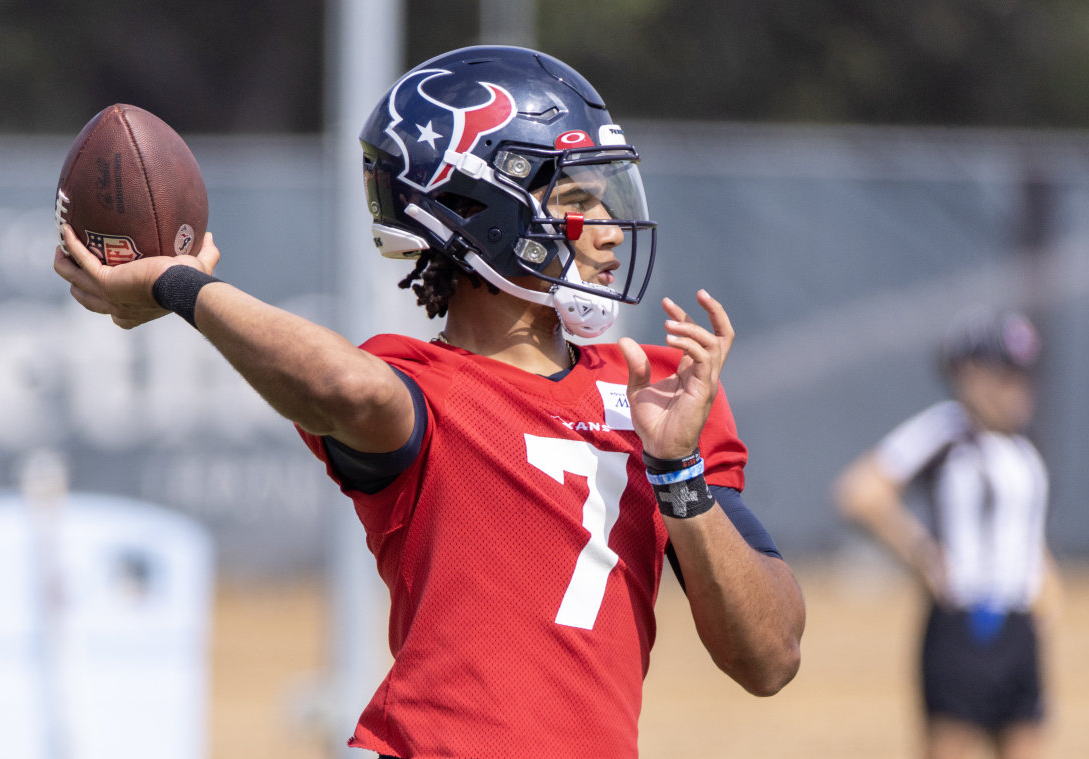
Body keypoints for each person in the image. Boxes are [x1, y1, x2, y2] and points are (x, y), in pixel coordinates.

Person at [55, 45, 804, 758]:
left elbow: (769, 657)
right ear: (482, 208)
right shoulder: (419, 387)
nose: (608, 233)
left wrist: (678, 471)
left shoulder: (658, 388)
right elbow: (345, 385)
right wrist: (177, 284)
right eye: (578, 198)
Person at [833, 307, 1060, 759]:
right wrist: (923, 554)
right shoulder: (948, 431)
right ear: (970, 373)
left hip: (1020, 630)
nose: (1019, 389)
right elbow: (859, 491)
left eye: (1025, 376)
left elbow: (1023, 532)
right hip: (965, 628)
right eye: (1006, 375)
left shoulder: (1022, 446)